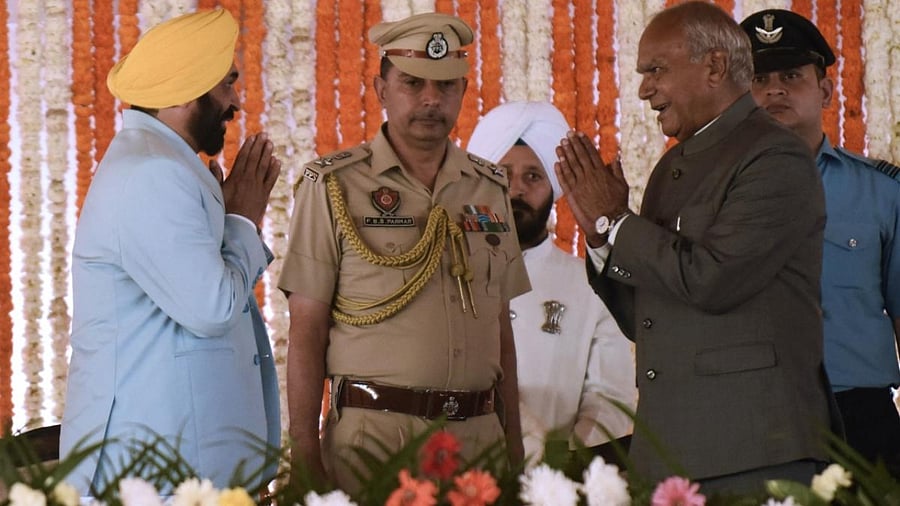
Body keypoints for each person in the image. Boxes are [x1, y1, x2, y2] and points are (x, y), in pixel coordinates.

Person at [555, 1, 835, 493]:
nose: (645, 89)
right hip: (673, 449)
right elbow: (648, 316)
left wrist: (619, 222)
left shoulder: (774, 154)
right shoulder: (673, 166)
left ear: (714, 67)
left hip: (752, 447)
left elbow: (713, 280)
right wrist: (601, 238)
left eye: (656, 71)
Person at [278, 12, 530, 493]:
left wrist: (513, 445)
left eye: (447, 86)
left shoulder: (489, 187)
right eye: (413, 83)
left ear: (463, 89)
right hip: (374, 439)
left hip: (479, 440)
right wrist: (304, 454)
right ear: (381, 89)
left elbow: (501, 328)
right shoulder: (334, 186)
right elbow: (306, 328)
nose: (432, 100)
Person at [60, 9, 282, 494]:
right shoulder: (152, 173)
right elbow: (212, 307)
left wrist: (226, 226)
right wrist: (243, 219)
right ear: (187, 91)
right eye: (226, 84)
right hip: (154, 473)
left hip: (175, 464)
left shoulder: (165, 164)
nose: (236, 102)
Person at [741, 9, 900, 474]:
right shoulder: (712, 194)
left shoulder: (881, 191)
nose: (774, 90)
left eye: (792, 75)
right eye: (758, 77)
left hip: (859, 419)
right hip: (748, 416)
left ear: (826, 91)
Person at [467, 101, 637, 466]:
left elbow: (609, 399)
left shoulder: (591, 283)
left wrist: (559, 466)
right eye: (502, 173)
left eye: (533, 176)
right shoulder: (446, 276)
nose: (516, 189)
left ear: (553, 187)